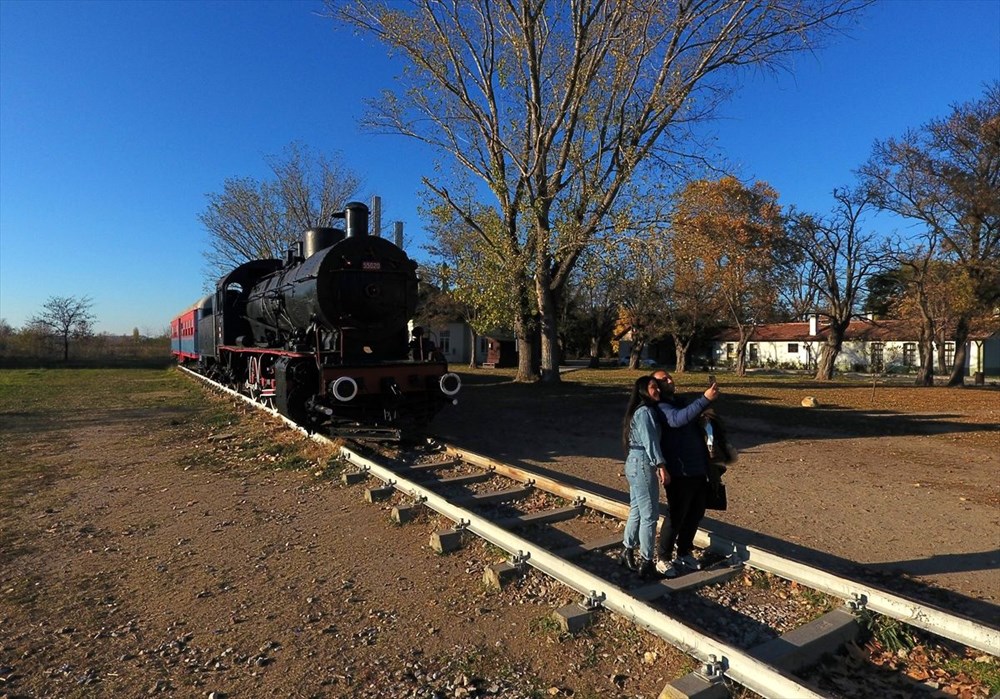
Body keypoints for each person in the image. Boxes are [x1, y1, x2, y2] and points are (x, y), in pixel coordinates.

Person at [652, 370, 720, 578]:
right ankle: (662, 557)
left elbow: (689, 416)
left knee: (696, 512)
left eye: (670, 377)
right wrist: (704, 399)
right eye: (664, 379)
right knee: (676, 514)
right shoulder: (661, 407)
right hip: (678, 471)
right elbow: (677, 420)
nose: (671, 380)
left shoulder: (679, 402)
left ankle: (684, 552)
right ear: (655, 386)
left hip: (698, 468)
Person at [620, 375, 669, 580]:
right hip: (642, 463)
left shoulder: (636, 412)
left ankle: (627, 550)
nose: (656, 390)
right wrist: (661, 465)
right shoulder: (645, 412)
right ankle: (646, 561)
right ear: (642, 390)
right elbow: (650, 442)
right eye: (652, 387)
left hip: (633, 461)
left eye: (657, 387)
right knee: (650, 516)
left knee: (637, 510)